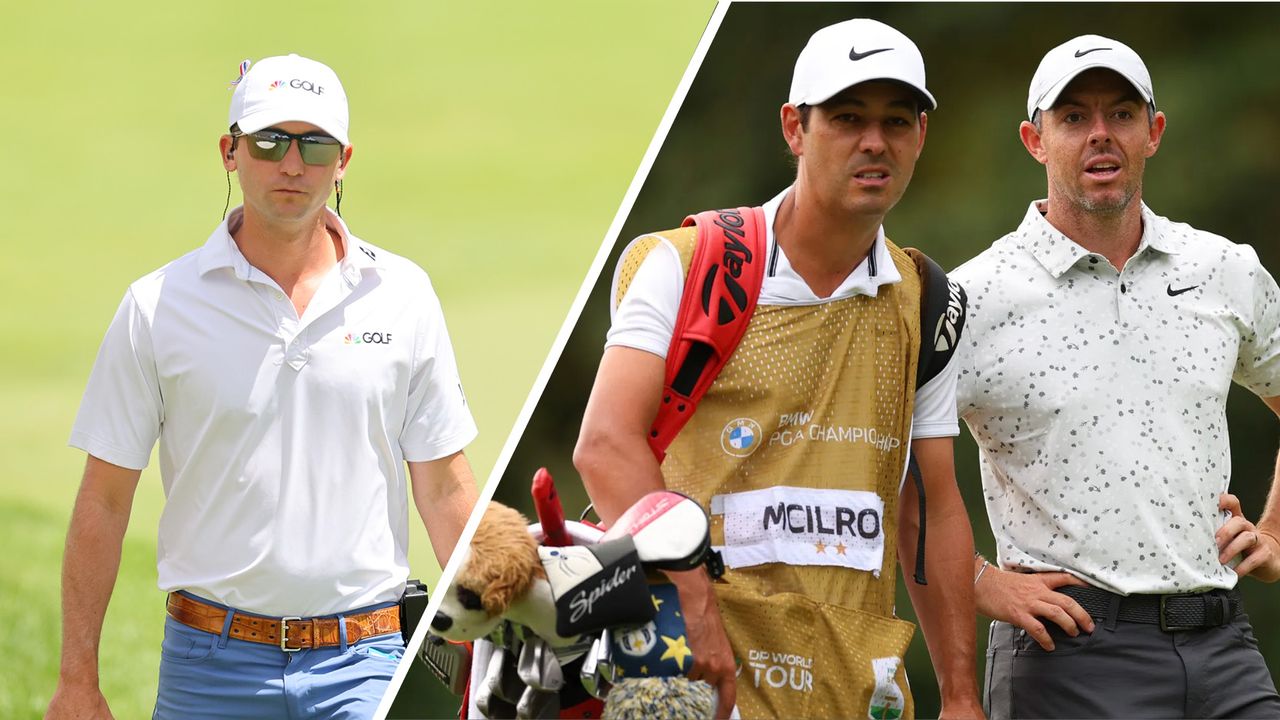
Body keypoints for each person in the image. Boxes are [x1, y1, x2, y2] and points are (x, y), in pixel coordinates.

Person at [45, 54, 479, 719]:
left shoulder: (403, 296)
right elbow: (104, 501)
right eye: (271, 141)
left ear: (344, 160)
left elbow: (445, 486)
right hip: (207, 665)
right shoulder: (158, 306)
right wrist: (78, 681)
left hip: (366, 662)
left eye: (315, 144)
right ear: (230, 150)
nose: (292, 164)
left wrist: (497, 634)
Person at [574, 18, 983, 720]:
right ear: (795, 128)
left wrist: (961, 696)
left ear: (921, 135)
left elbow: (931, 508)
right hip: (698, 673)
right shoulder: (688, 264)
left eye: (896, 121)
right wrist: (691, 598)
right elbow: (606, 445)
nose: (874, 142)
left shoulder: (927, 300)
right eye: (848, 118)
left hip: (857, 685)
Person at [953, 34, 1280, 719]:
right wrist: (977, 582)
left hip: (1224, 644)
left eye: (1121, 114)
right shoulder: (972, 297)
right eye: (1072, 118)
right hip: (1067, 651)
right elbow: (879, 457)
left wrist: (1276, 532)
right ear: (1034, 140)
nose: (1100, 135)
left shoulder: (1220, 269)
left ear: (1153, 132)